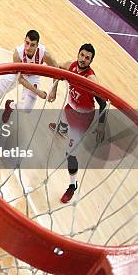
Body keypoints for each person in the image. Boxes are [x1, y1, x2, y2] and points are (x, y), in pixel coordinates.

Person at [47, 44, 106, 204]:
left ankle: (72, 185)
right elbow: (57, 71)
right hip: (70, 108)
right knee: (65, 117)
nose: (83, 59)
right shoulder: (71, 65)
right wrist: (53, 89)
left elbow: (104, 103)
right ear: (78, 54)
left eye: (87, 58)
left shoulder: (91, 80)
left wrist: (101, 125)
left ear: (91, 61)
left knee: (70, 154)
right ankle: (62, 128)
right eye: (82, 55)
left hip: (82, 118)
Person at [0, 30, 57, 122]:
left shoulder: (44, 54)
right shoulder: (18, 53)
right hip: (17, 75)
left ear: (37, 45)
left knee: (27, 109)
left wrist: (54, 90)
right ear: (24, 40)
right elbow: (20, 79)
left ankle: (10, 106)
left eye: (32, 45)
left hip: (33, 76)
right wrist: (38, 92)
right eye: (27, 43)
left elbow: (56, 70)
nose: (28, 48)